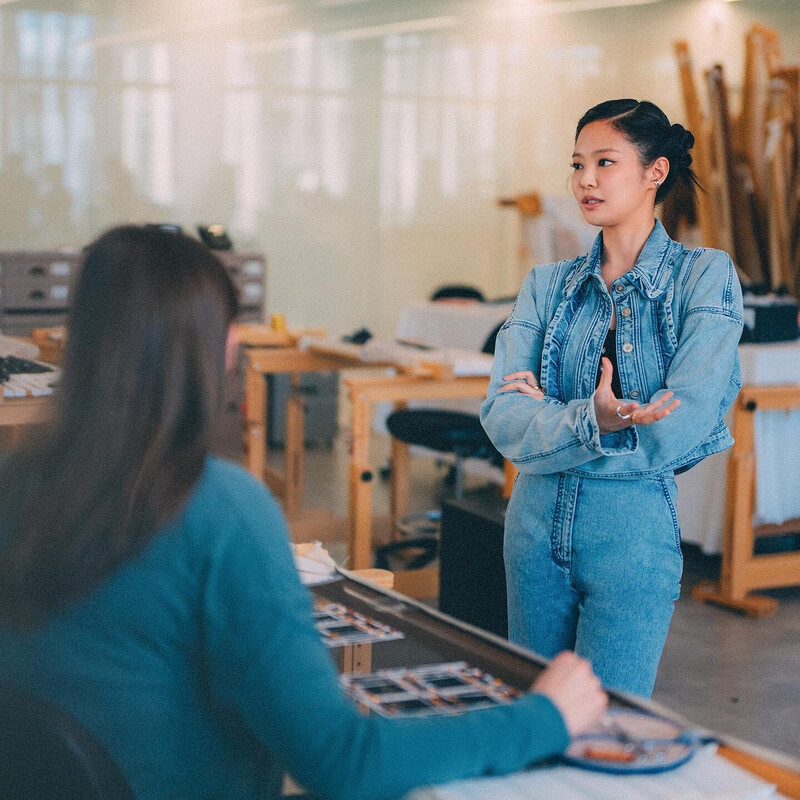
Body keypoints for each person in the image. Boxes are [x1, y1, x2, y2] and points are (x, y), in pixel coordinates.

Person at [0, 226, 606, 800]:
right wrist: (542, 718)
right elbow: (343, 762)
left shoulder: (16, 483)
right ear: (211, 346)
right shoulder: (221, 508)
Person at [481, 99, 743, 698]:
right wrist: (594, 418)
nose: (585, 180)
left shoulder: (704, 276)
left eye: (605, 162)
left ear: (656, 172)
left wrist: (555, 422)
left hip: (631, 530)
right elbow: (501, 415)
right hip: (533, 526)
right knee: (533, 723)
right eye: (577, 165)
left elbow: (682, 421)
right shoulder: (545, 285)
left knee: (611, 729)